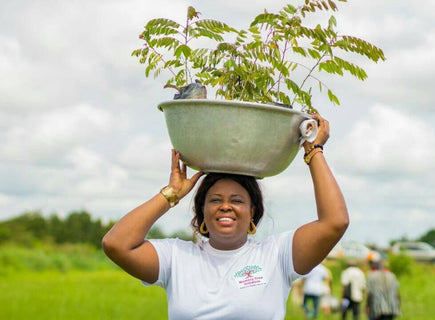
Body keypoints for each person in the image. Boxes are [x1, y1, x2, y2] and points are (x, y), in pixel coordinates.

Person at [102, 113, 349, 320]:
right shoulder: (176, 258)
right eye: (215, 200)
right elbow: (116, 244)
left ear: (253, 211)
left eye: (237, 200)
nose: (225, 207)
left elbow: (334, 222)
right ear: (202, 212)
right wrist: (171, 194)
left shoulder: (277, 255)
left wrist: (313, 150)